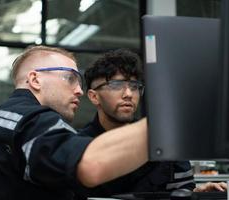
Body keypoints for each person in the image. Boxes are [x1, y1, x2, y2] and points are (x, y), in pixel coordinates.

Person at [0, 45, 149, 200]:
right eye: (71, 78)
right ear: (35, 80)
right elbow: (90, 164)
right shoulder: (32, 119)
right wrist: (164, 122)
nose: (79, 90)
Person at [76, 49, 227, 199]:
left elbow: (182, 190)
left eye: (134, 86)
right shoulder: (80, 148)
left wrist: (196, 194)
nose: (128, 94)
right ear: (94, 97)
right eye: (116, 85)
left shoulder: (165, 142)